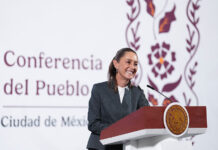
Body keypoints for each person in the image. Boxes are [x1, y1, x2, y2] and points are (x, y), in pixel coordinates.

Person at [87, 48, 149, 150]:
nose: (132, 67)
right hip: (101, 147)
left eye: (135, 64)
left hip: (127, 147)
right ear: (116, 64)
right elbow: (93, 124)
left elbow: (147, 119)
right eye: (128, 62)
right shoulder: (99, 89)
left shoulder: (137, 93)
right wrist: (119, 130)